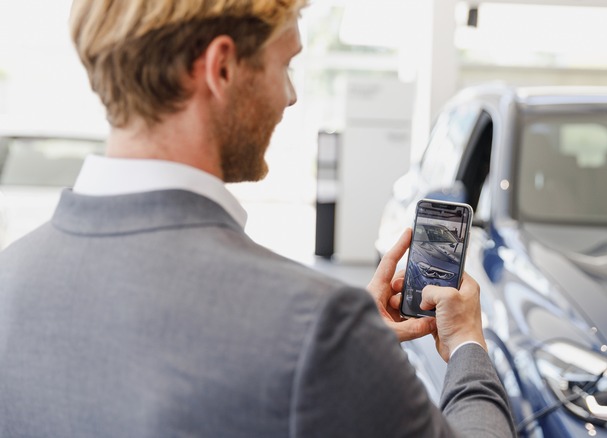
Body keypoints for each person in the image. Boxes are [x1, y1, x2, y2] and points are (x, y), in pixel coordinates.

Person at [0, 1, 515, 436]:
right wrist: (467, 342)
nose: (290, 96)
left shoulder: (10, 278)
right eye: (285, 65)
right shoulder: (319, 328)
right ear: (221, 67)